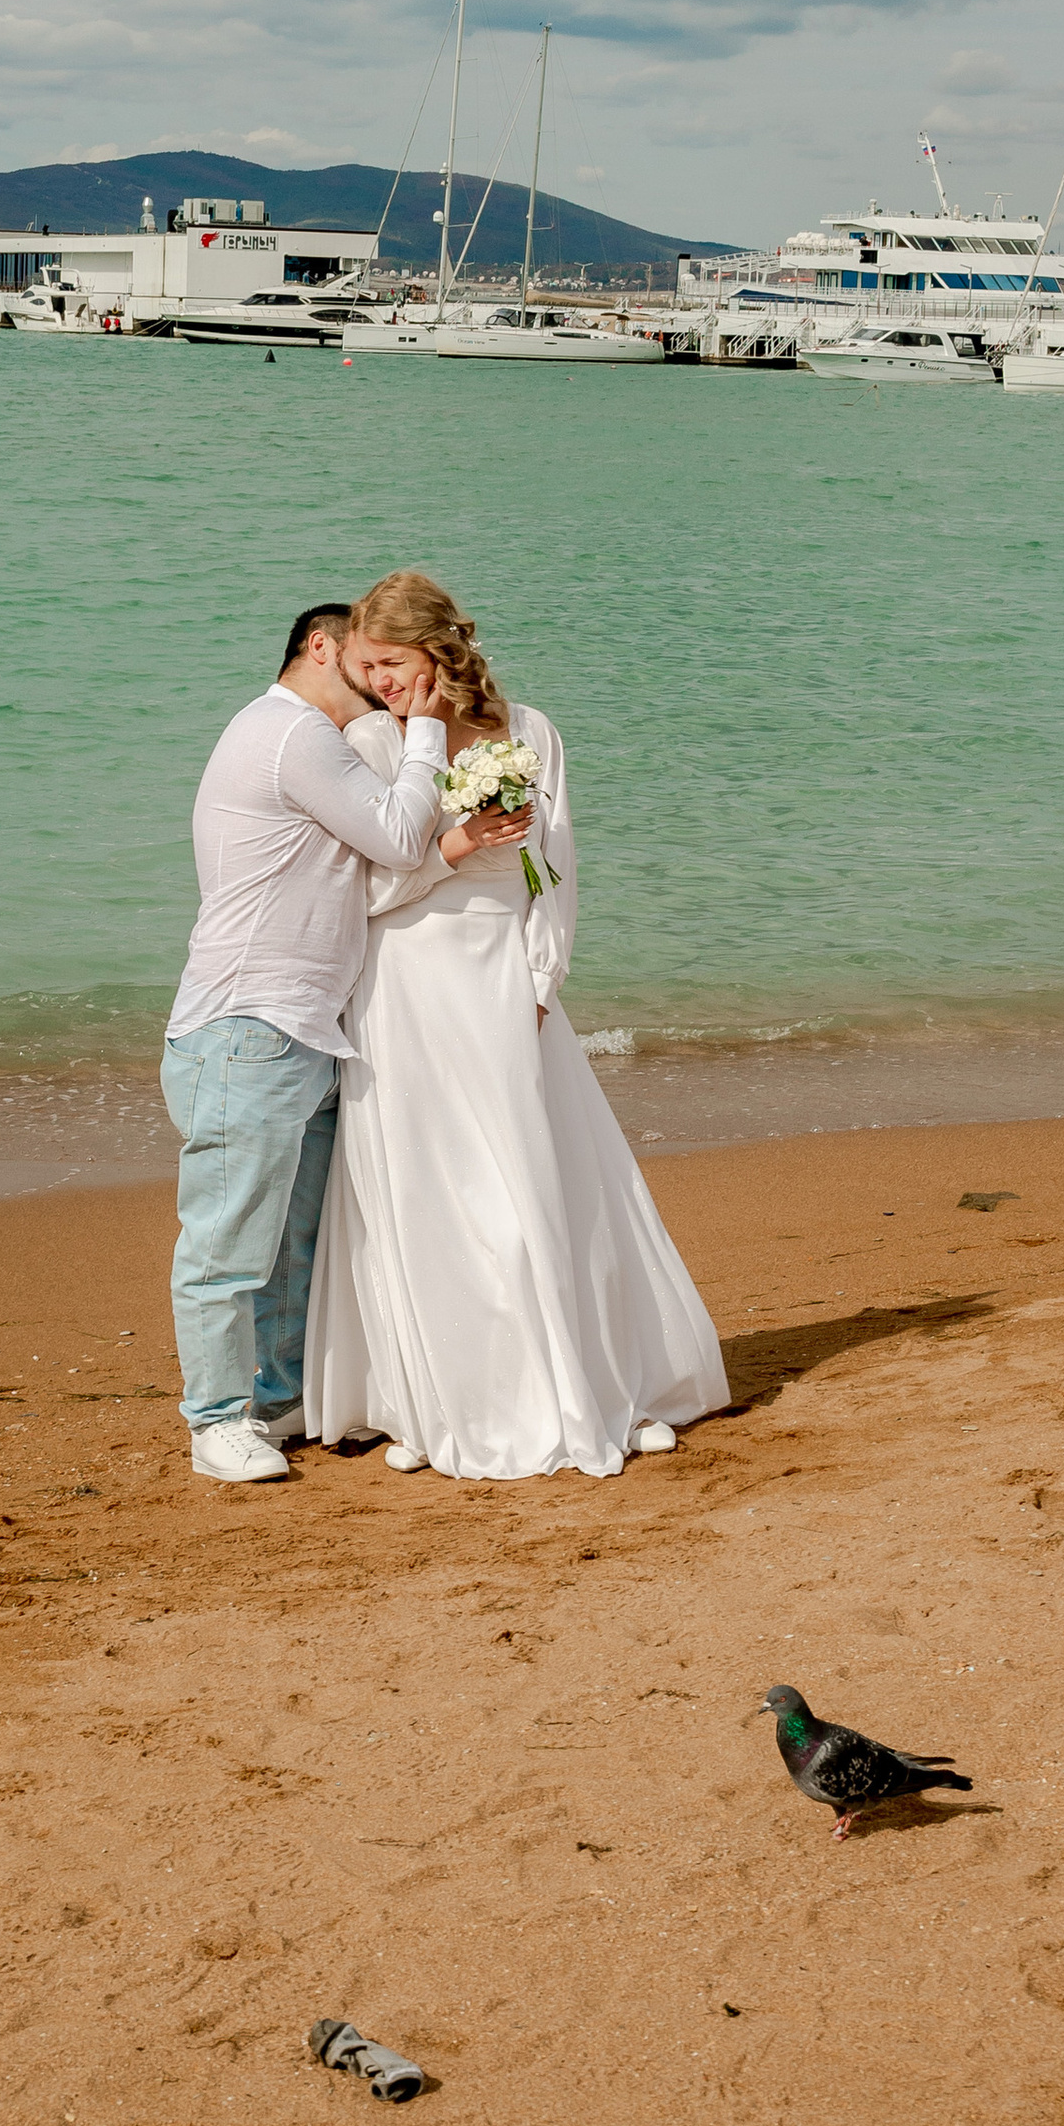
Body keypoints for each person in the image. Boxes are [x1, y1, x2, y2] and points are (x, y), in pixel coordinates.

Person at [303, 569, 729, 1480]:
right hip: (403, 982)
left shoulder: (529, 731)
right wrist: (452, 851)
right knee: (424, 1187)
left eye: (390, 661)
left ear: (438, 651)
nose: (377, 679)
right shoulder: (369, 742)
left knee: (537, 1175)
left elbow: (556, 864)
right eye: (367, 664)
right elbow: (364, 893)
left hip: (502, 976)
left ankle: (583, 1380)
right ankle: (432, 1397)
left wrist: (543, 977)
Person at [161, 602, 531, 1484]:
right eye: (367, 665)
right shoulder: (291, 735)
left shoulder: (307, 744)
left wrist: (461, 840)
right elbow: (401, 831)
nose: (381, 686)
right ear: (320, 648)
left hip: (306, 1025)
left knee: (295, 1242)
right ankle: (215, 1421)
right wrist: (430, 734)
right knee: (228, 1244)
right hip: (247, 1024)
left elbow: (381, 868)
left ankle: (276, 1400)